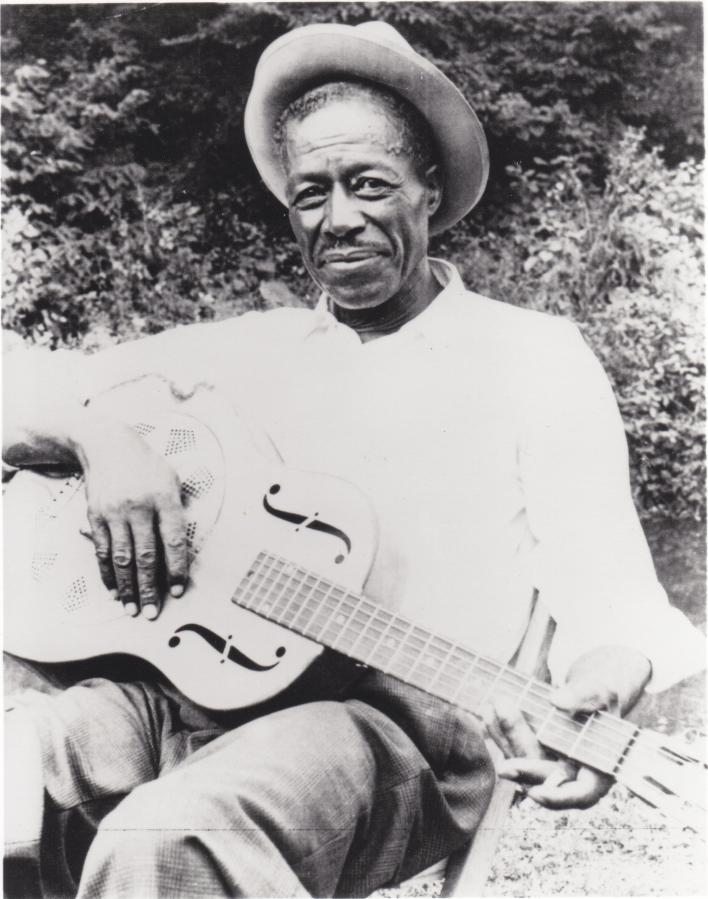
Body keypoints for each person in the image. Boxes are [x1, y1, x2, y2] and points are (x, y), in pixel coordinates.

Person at [3, 21, 704, 899]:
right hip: (184, 692)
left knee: (170, 836)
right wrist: (98, 441)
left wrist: (601, 682)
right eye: (312, 194)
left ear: (429, 190)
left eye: (369, 184)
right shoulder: (245, 352)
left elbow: (608, 585)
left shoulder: (533, 355)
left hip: (391, 727)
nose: (339, 219)